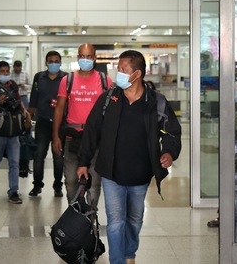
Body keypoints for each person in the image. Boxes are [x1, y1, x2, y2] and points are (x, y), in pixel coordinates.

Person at [77, 50, 182, 264]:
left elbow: (172, 131)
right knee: (115, 221)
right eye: (119, 68)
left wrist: (169, 152)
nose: (119, 73)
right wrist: (83, 162)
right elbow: (91, 130)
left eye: (124, 69)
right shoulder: (109, 98)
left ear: (137, 74)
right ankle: (117, 261)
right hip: (111, 171)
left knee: (134, 219)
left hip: (140, 173)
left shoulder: (156, 102)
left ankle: (129, 254)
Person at [52, 43, 112, 209]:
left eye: (89, 56)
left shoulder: (104, 80)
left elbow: (112, 110)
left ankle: (91, 215)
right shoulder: (67, 80)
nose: (85, 59)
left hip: (96, 140)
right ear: (78, 57)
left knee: (94, 182)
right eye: (82, 56)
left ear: (95, 58)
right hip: (73, 138)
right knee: (71, 180)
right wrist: (55, 136)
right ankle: (75, 212)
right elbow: (59, 109)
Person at [0, 61, 30, 204]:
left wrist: (25, 112)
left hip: (12, 129)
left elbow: (18, 101)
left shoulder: (12, 85)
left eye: (7, 71)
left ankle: (13, 192)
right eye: (3, 71)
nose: (6, 74)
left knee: (15, 161)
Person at [27, 51, 67, 197]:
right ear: (46, 62)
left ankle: (58, 186)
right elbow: (33, 100)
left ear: (60, 62)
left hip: (61, 123)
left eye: (56, 61)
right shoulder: (39, 77)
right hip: (43, 121)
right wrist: (27, 117)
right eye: (51, 61)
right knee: (39, 155)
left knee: (58, 156)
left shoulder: (66, 78)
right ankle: (37, 185)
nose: (54, 64)